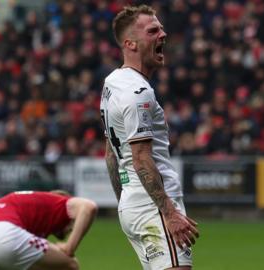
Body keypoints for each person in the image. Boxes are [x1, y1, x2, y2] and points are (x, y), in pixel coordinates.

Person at [100, 5, 199, 270]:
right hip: (153, 205)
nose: (163, 34)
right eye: (153, 30)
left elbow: (111, 153)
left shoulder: (113, 83)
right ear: (130, 43)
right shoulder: (138, 92)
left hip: (134, 203)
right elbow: (141, 157)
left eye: (162, 28)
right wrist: (169, 212)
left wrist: (125, 202)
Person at [0, 190, 97, 270]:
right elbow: (88, 207)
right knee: (70, 265)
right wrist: (69, 248)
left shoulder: (31, 206)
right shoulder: (59, 203)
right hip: (4, 233)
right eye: (71, 226)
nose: (70, 230)